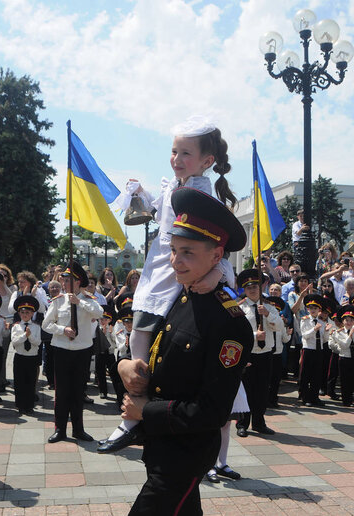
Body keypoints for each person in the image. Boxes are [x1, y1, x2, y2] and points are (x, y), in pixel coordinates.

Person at [100, 115, 237, 453]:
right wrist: (139, 193)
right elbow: (153, 212)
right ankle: (135, 418)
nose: (176, 159)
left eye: (185, 154)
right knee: (139, 347)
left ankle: (135, 420)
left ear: (208, 161)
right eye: (174, 152)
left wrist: (219, 272)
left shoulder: (201, 198)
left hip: (175, 283)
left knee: (156, 354)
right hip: (155, 278)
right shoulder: (174, 189)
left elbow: (217, 246)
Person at [117, 186, 252, 515]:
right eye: (174, 250)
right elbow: (161, 359)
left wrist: (144, 411)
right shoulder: (182, 296)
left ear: (216, 256)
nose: (176, 261)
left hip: (186, 454)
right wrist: (125, 365)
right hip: (163, 445)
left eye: (188, 252)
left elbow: (212, 411)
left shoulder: (229, 323)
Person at [42, 261, 103, 443]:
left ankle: (78, 429)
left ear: (77, 282)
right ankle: (60, 429)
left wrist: (80, 302)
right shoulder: (58, 300)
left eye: (68, 279)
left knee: (78, 391)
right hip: (61, 350)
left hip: (82, 352)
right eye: (64, 278)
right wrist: (63, 330)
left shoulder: (88, 300)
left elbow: (99, 313)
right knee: (61, 392)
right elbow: (46, 324)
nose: (64, 282)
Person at [236, 269, 281, 436]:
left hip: (265, 353)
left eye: (255, 286)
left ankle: (259, 422)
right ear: (244, 290)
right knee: (246, 389)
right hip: (248, 354)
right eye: (248, 287)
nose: (252, 290)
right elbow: (237, 332)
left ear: (260, 287)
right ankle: (242, 424)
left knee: (262, 389)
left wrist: (267, 314)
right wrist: (255, 335)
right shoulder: (239, 308)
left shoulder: (269, 306)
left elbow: (279, 327)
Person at [329, 304, 354, 407]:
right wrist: (350, 336)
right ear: (343, 321)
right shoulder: (338, 332)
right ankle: (347, 401)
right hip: (344, 358)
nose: (349, 322)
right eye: (346, 320)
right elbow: (344, 345)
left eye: (351, 320)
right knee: (346, 381)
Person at [11, 295, 41, 415]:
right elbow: (14, 342)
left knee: (31, 382)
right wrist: (24, 336)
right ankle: (20, 405)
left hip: (32, 358)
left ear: (32, 313)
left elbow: (38, 342)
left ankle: (29, 406)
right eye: (22, 312)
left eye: (27, 312)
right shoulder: (16, 326)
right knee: (19, 382)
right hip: (20, 357)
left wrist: (30, 336)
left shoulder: (36, 327)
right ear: (19, 313)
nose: (25, 314)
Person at [298, 294, 327, 407]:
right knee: (306, 374)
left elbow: (324, 339)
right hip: (308, 349)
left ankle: (315, 397)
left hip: (318, 350)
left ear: (319, 310)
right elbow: (304, 335)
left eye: (315, 308)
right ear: (307, 309)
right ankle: (305, 397)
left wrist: (327, 331)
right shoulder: (304, 320)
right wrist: (314, 329)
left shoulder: (322, 322)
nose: (313, 310)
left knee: (317, 374)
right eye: (311, 308)